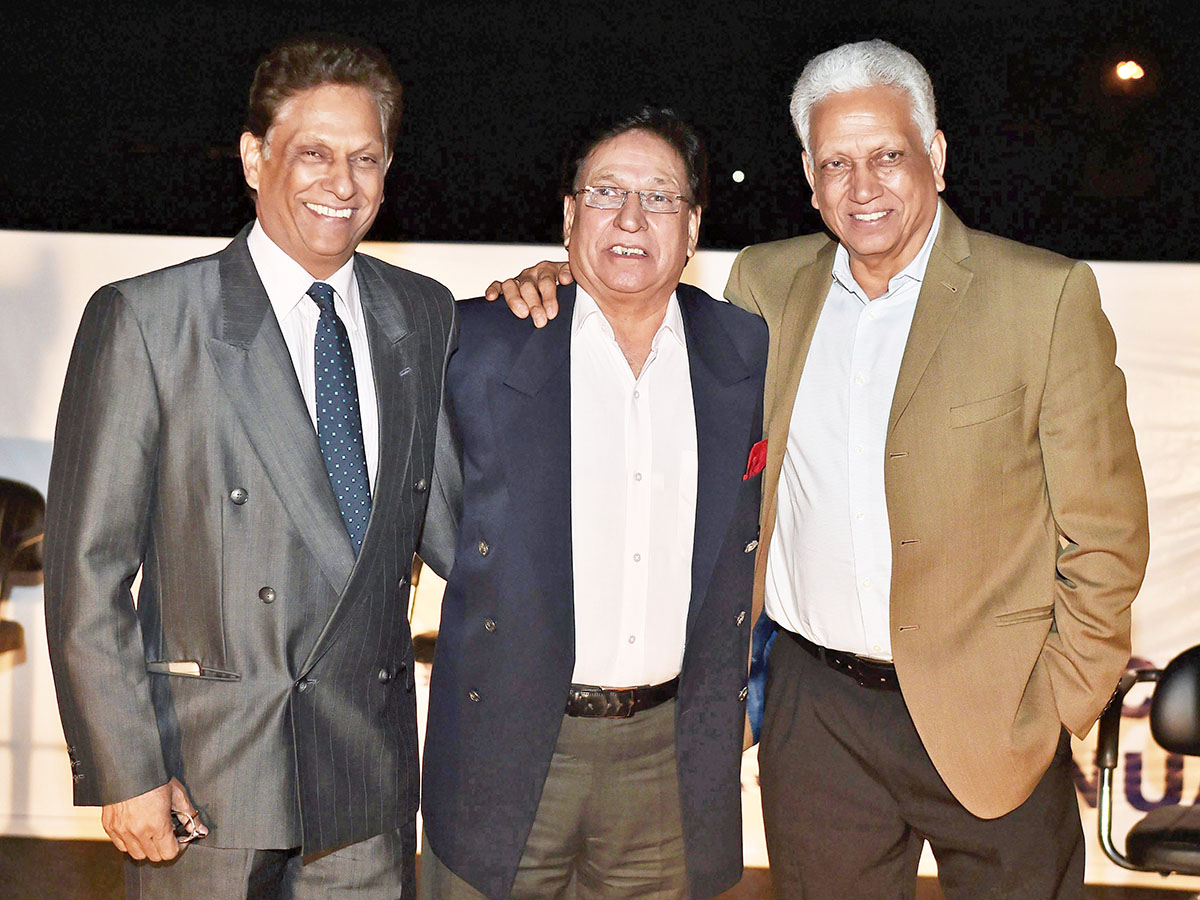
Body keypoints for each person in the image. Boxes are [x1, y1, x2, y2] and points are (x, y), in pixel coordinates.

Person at [487, 40, 1149, 900]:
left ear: (936, 157)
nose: (862, 186)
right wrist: (557, 278)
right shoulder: (766, 284)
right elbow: (645, 322)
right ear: (808, 173)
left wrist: (1056, 705)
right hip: (815, 718)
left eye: (887, 156)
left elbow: (1106, 536)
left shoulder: (1044, 297)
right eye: (836, 162)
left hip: (996, 720)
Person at [43, 35, 457, 899]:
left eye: (365, 159)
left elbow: (452, 523)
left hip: (364, 780)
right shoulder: (150, 321)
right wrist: (126, 768)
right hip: (207, 782)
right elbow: (87, 571)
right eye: (313, 153)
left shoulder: (421, 314)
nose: (341, 186)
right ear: (253, 157)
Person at [420, 108, 768, 900]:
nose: (631, 218)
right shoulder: (477, 344)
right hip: (507, 748)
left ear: (692, 228)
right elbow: (435, 521)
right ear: (570, 213)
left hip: (668, 759)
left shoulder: (743, 353)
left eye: (661, 198)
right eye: (607, 191)